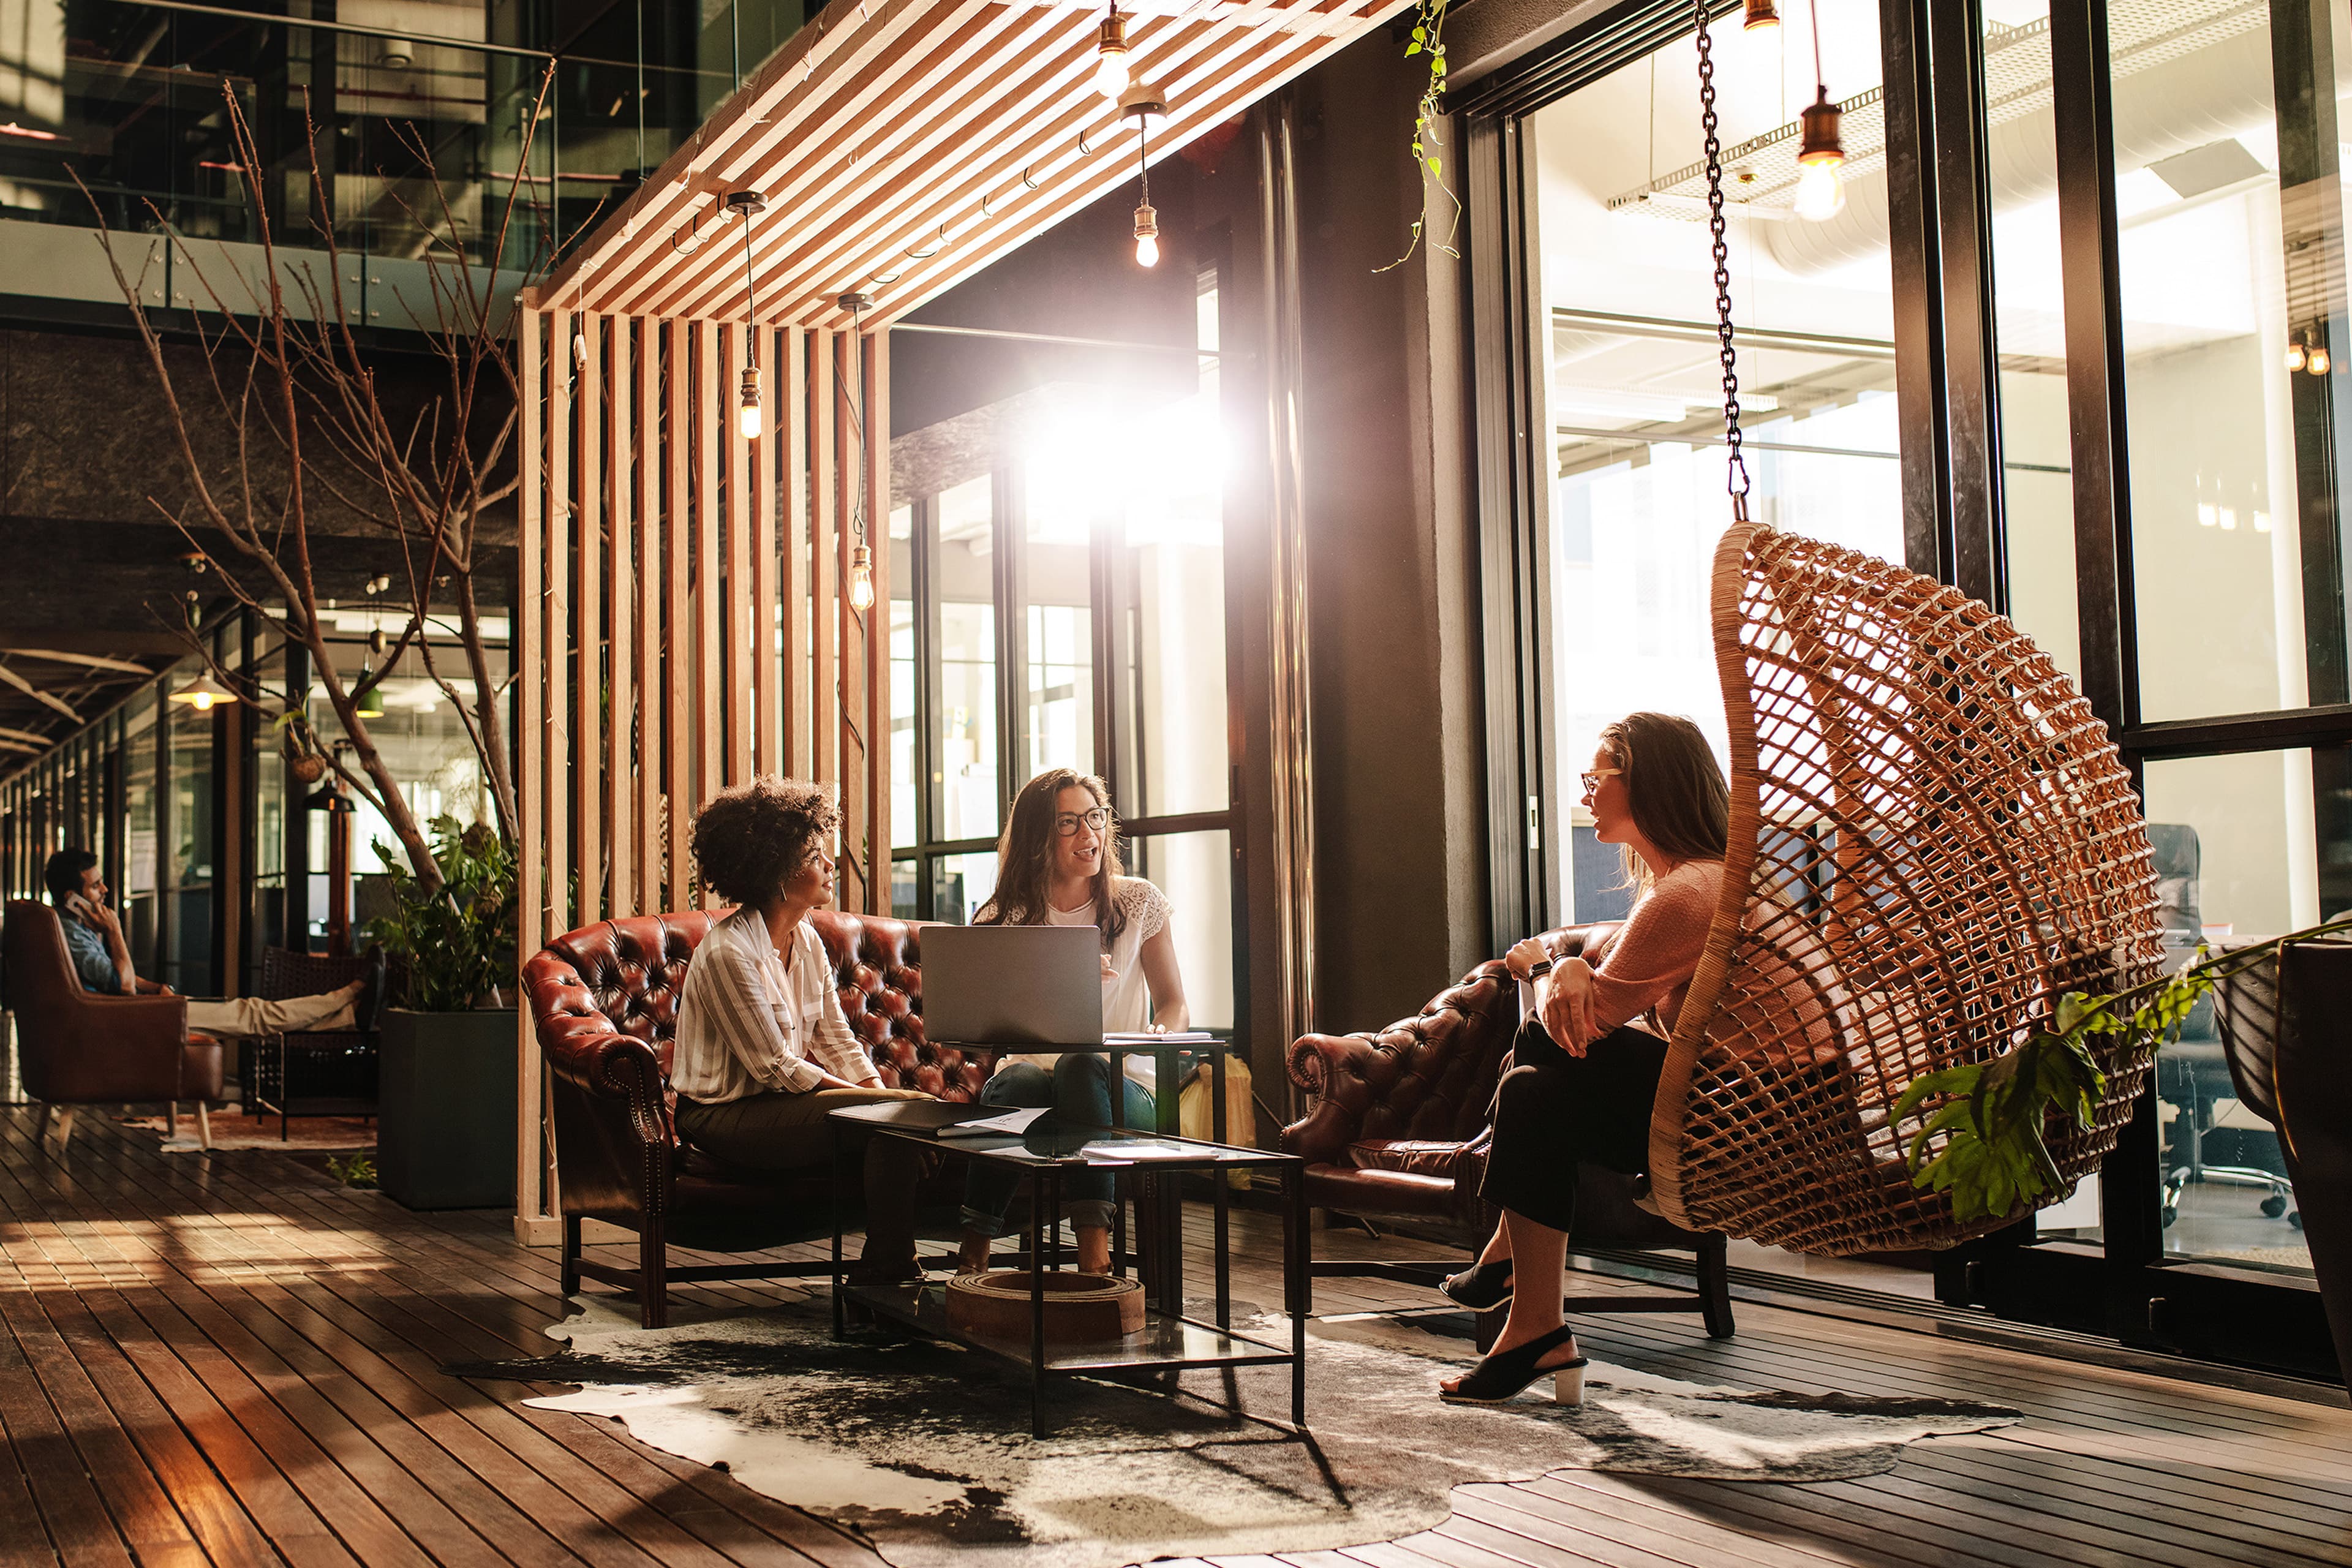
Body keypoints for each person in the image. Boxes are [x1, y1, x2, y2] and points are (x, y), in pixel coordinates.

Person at [1435, 712, 1729, 1407]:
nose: (1588, 791)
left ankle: (1520, 1289)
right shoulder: (1702, 883)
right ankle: (1535, 1324)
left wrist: (1545, 965)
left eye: (1599, 777)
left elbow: (1572, 1028)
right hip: (1740, 1103)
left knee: (1540, 1056)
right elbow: (1588, 1014)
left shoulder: (1688, 894)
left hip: (1741, 1123)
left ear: (1649, 783)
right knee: (1535, 1092)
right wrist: (1567, 972)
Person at [667, 776, 937, 1283]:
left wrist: (879, 1099)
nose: (830, 865)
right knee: (902, 1118)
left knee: (899, 1124)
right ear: (777, 873)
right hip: (722, 1118)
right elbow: (774, 1067)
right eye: (816, 857)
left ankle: (888, 1273)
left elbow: (835, 1039)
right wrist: (882, 1110)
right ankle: (890, 1276)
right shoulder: (730, 952)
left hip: (778, 1109)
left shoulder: (805, 938)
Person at [955, 768, 1191, 1276]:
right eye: (1069, 823)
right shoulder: (1006, 914)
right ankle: (974, 1250)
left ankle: (1093, 1257)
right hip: (1033, 1084)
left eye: (1096, 818)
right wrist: (1053, 980)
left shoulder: (1138, 902)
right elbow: (988, 1026)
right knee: (1015, 1077)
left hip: (1123, 1086)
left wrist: (1163, 1032)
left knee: (1084, 1065)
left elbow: (1174, 1003)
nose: (1089, 835)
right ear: (1039, 836)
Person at [45, 848, 374, 1037]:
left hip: (133, 1012)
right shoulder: (72, 933)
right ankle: (346, 994)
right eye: (96, 886)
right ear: (72, 898)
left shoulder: (74, 927)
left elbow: (119, 981)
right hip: (128, 1020)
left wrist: (157, 986)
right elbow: (124, 986)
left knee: (252, 1015)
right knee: (252, 1014)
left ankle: (348, 1017)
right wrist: (115, 932)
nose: (104, 891)